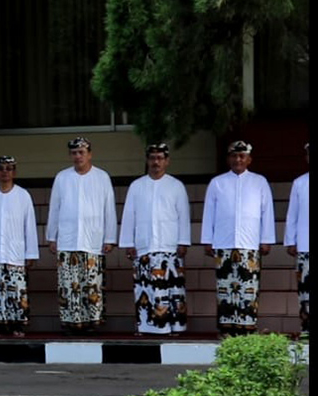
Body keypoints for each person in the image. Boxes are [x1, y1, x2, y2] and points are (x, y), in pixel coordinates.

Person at [200, 140, 276, 337]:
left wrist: (266, 239)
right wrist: (207, 239)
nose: (238, 160)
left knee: (248, 288)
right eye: (234, 156)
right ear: (228, 159)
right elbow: (209, 213)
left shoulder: (259, 182)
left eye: (242, 156)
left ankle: (247, 327)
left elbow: (266, 212)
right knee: (225, 289)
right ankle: (226, 328)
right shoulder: (217, 183)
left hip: (249, 244)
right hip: (223, 243)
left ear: (249, 159)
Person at [45, 137, 118, 335]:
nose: (78, 156)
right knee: (69, 284)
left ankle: (92, 323)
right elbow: (55, 208)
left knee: (91, 284)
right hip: (68, 240)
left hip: (93, 240)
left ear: (90, 154)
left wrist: (110, 238)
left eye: (82, 152)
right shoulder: (62, 177)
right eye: (74, 153)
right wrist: (52, 236)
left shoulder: (102, 177)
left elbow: (109, 209)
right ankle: (71, 322)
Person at [118, 143, 191, 336]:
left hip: (169, 246)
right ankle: (145, 327)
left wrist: (183, 241)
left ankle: (174, 326)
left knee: (171, 289)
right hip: (144, 246)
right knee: (145, 288)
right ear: (147, 160)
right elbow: (129, 216)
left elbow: (183, 216)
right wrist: (128, 243)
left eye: (160, 158)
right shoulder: (137, 186)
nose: (156, 162)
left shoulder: (176, 186)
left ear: (167, 161)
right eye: (152, 158)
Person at [0, 155, 39, 337]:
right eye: (1, 169)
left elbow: (29, 226)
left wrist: (30, 253)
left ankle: (17, 325)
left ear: (14, 172)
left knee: (16, 290)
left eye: (9, 169)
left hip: (15, 253)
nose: (5, 172)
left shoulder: (23, 195)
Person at [284, 142, 309, 337]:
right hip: (305, 246)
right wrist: (290, 240)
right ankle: (307, 328)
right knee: (305, 291)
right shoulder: (300, 183)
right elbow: (292, 215)